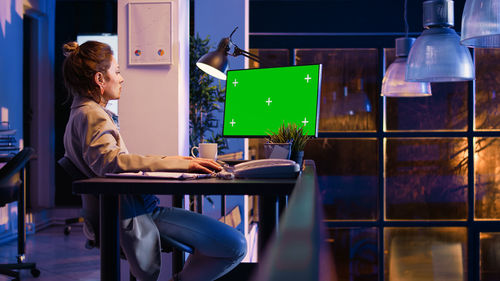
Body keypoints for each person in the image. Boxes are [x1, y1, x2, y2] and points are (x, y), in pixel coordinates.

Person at [61, 40, 246, 281]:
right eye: (116, 72)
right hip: (141, 214)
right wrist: (184, 164)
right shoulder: (91, 115)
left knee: (224, 244)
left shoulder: (80, 113)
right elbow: (111, 162)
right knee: (235, 245)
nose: (121, 78)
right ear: (99, 79)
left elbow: (112, 161)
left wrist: (180, 160)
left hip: (129, 211)